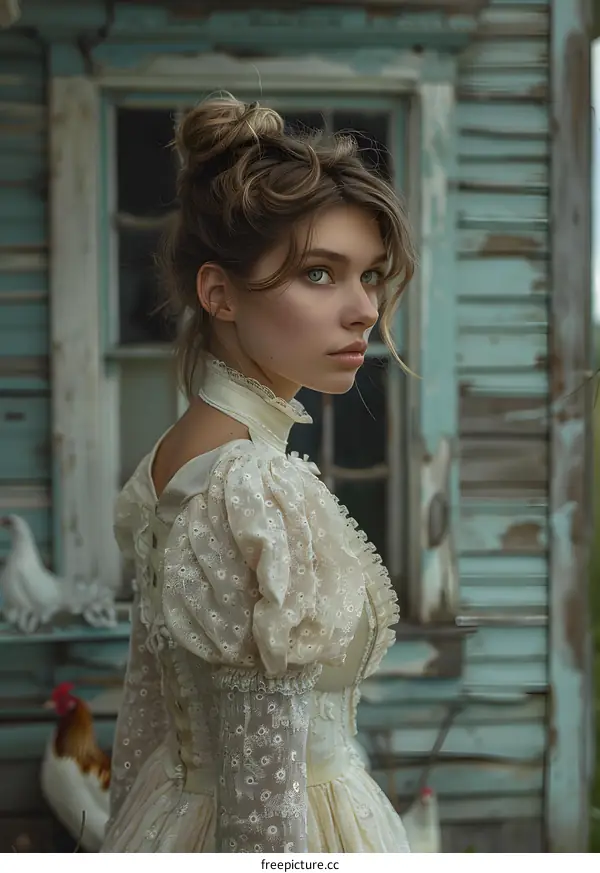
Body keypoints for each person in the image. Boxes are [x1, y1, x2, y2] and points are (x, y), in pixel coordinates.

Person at [101, 94, 416, 854]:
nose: (364, 310)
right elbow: (263, 816)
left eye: (370, 275)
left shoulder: (175, 460)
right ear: (219, 293)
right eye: (319, 272)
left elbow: (143, 727)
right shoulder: (250, 490)